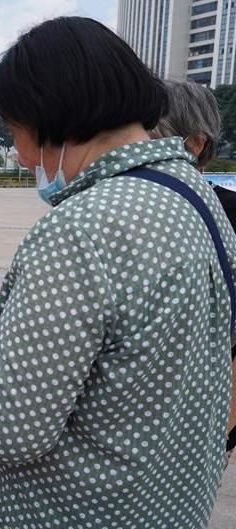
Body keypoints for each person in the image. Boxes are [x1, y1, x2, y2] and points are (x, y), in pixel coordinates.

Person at [0, 17, 236, 529]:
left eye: (15, 133)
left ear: (50, 116)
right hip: (169, 503)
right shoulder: (198, 197)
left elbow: (9, 427)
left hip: (74, 511)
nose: (24, 158)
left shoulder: (80, 228)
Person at [152, 80, 236, 454]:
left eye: (154, 134)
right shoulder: (137, 209)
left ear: (197, 144)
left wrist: (223, 427)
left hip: (206, 406)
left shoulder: (225, 212)